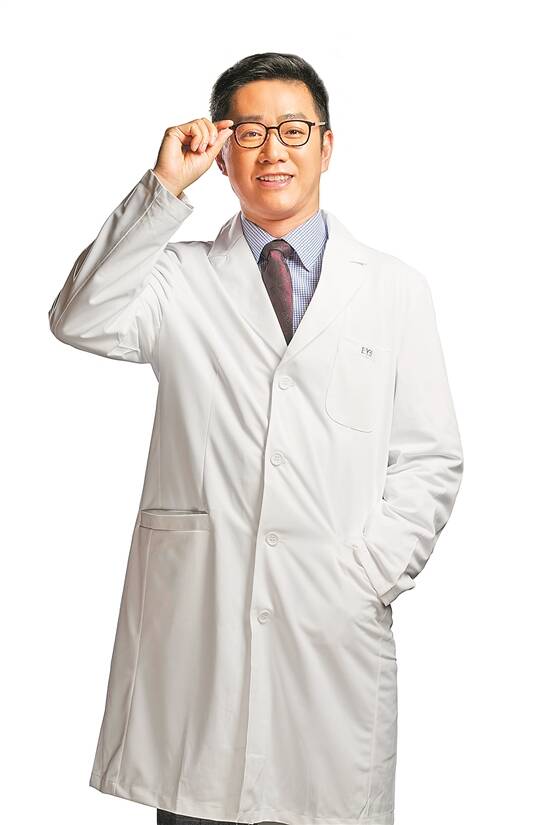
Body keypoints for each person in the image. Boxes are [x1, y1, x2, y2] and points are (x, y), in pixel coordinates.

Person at [48, 52, 464, 825]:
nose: (274, 150)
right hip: (200, 634)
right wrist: (162, 188)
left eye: (294, 130)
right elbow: (79, 317)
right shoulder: (174, 279)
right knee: (202, 802)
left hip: (330, 630)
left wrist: (369, 572)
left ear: (327, 146)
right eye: (250, 132)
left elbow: (430, 456)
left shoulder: (394, 289)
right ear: (221, 151)